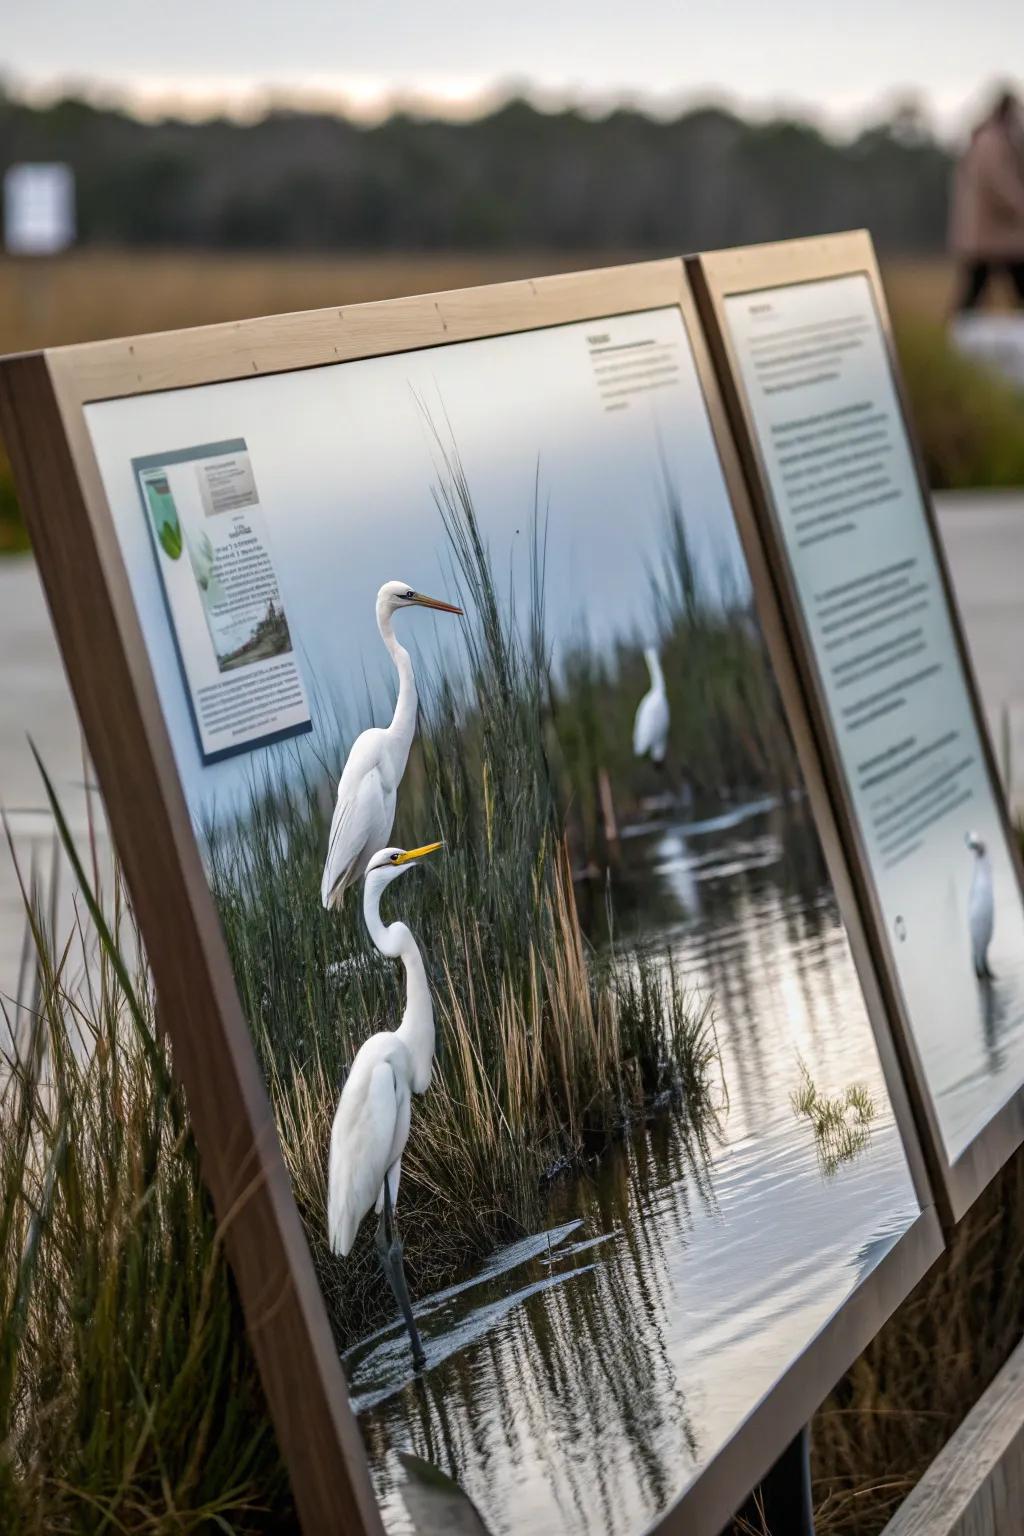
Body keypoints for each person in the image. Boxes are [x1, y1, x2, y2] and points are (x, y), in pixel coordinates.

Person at [950, 87, 1024, 311]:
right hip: (994, 231)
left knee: (976, 286)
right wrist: (1020, 205)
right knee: (979, 286)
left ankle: (960, 332)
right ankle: (960, 333)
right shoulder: (992, 141)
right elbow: (999, 183)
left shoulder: (989, 139)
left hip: (989, 231)